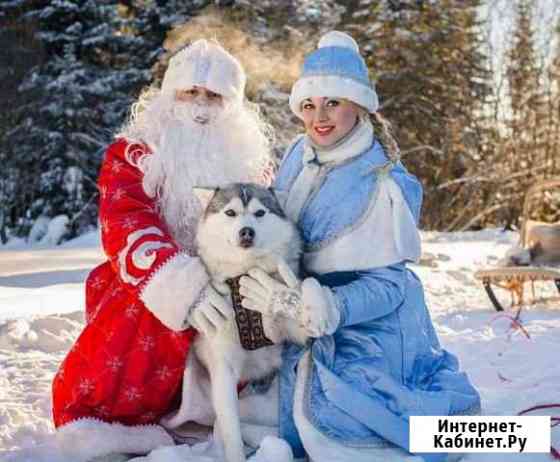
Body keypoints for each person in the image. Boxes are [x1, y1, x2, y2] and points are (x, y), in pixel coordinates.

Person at [239, 31, 481, 462]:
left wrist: (320, 307)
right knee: (246, 412)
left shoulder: (381, 181)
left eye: (333, 102)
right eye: (310, 105)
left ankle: (498, 438)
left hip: (369, 326)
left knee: (346, 418)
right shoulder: (297, 151)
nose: (320, 117)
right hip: (301, 320)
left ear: (359, 105)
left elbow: (390, 287)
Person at [51, 39, 273, 457]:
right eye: (190, 92)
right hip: (154, 283)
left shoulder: (253, 164)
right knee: (142, 308)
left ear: (234, 104)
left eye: (214, 96)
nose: (200, 106)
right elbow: (125, 219)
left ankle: (235, 410)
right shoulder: (133, 154)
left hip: (230, 281)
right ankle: (111, 426)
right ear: (170, 95)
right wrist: (180, 283)